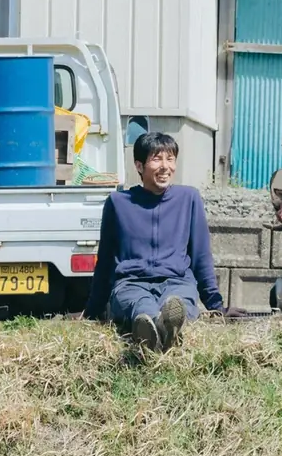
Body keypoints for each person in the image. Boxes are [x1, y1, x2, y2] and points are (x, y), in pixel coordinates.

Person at [83, 132, 226, 352]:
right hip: (131, 283)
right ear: (139, 166)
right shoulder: (118, 203)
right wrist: (92, 312)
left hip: (177, 281)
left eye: (170, 159)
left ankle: (160, 330)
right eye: (156, 159)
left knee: (178, 304)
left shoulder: (189, 199)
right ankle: (154, 327)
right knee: (141, 307)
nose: (165, 166)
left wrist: (216, 307)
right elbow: (105, 261)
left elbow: (201, 256)